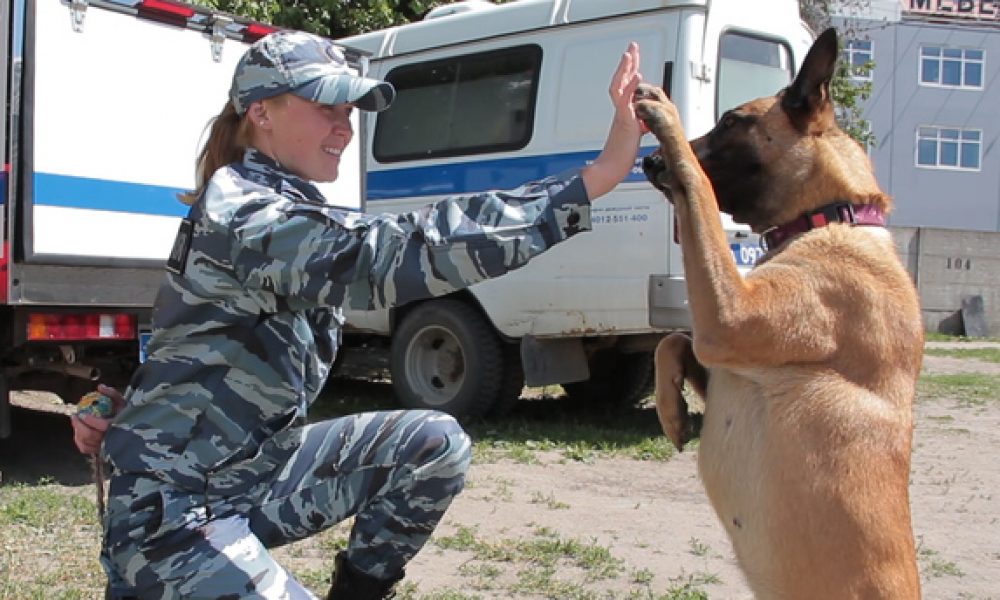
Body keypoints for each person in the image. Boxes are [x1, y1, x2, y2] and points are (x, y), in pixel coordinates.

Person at [71, 30, 645, 600]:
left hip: (248, 475)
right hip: (175, 513)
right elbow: (394, 252)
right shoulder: (244, 212)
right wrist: (594, 179)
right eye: (326, 109)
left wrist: (120, 401)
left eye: (348, 111)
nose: (344, 128)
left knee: (432, 443)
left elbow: (191, 342)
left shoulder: (280, 202)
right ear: (262, 111)